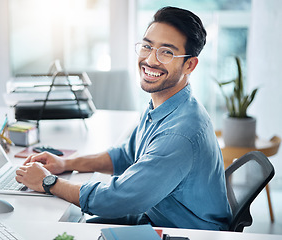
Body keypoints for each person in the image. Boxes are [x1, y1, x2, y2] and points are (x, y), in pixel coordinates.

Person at [14, 6, 232, 230]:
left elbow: (118, 199)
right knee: (64, 228)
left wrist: (49, 182)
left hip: (184, 232)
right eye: (147, 46)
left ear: (190, 65)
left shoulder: (180, 133)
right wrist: (65, 163)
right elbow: (126, 155)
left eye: (166, 52)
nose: (150, 60)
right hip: (155, 218)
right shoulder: (164, 104)